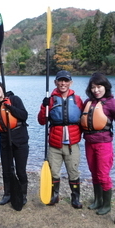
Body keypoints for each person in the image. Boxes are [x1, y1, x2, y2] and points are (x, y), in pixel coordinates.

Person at [38, 70, 83, 209]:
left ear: (70, 82)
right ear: (55, 82)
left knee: (73, 172)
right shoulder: (50, 100)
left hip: (72, 144)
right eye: (60, 80)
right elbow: (41, 121)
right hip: (54, 144)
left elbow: (84, 119)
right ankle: (54, 196)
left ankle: (75, 198)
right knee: (54, 172)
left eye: (66, 80)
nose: (63, 83)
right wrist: (44, 106)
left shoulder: (77, 99)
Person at [0, 81, 29, 206]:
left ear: (2, 88)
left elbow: (24, 115)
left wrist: (10, 107)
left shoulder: (14, 99)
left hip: (19, 139)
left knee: (20, 170)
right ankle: (8, 194)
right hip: (5, 140)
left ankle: (22, 195)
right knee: (7, 169)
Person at [80, 72, 115, 215]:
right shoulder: (88, 102)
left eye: (99, 86)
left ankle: (107, 205)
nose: (96, 90)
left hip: (104, 144)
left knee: (103, 174)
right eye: (93, 87)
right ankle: (98, 201)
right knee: (94, 173)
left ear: (105, 87)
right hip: (89, 143)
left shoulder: (111, 102)